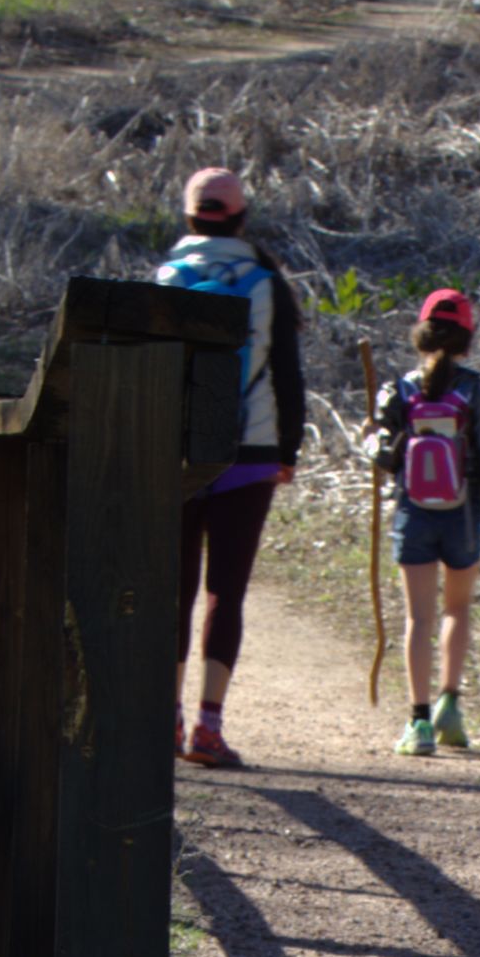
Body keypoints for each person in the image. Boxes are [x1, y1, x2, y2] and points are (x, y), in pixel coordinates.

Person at [156, 165, 305, 767]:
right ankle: (209, 729)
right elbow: (289, 375)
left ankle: (164, 720)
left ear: (190, 217)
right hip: (251, 452)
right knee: (227, 591)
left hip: (176, 452)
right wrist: (286, 452)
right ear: (242, 217)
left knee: (176, 589)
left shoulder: (167, 277)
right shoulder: (266, 282)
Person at [369, 288, 480, 756]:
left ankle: (417, 722)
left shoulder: (398, 389)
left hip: (413, 511)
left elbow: (383, 456)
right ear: (466, 339)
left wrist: (374, 439)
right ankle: (449, 710)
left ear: (422, 333)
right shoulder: (471, 389)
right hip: (464, 513)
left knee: (418, 616)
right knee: (457, 609)